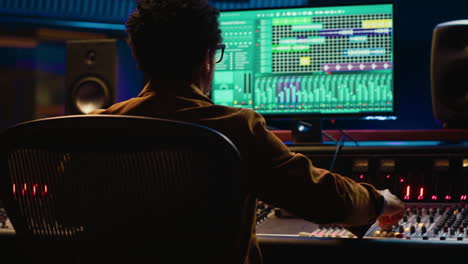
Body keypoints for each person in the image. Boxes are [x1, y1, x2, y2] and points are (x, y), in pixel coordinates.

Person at [91, 0, 405, 262]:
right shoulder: (235, 128)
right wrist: (377, 200)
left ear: (139, 57)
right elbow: (318, 196)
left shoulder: (96, 128)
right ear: (207, 59)